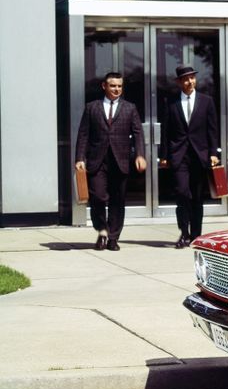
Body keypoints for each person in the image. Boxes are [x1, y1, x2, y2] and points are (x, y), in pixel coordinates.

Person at [74, 72, 147, 251]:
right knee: (98, 196)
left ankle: (113, 237)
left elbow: (138, 133)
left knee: (117, 200)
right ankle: (102, 231)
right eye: (113, 85)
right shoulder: (92, 107)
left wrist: (140, 154)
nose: (116, 89)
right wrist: (79, 158)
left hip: (120, 160)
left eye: (119, 86)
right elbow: (83, 134)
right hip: (97, 160)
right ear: (104, 86)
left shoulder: (130, 108)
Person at [160, 65, 220, 248]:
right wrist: (164, 156)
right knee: (182, 194)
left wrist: (213, 153)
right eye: (185, 79)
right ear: (179, 82)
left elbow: (212, 129)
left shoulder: (206, 101)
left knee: (197, 197)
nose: (190, 82)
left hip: (199, 155)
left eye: (192, 78)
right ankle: (184, 233)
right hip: (179, 156)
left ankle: (196, 235)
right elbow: (166, 131)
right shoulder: (171, 103)